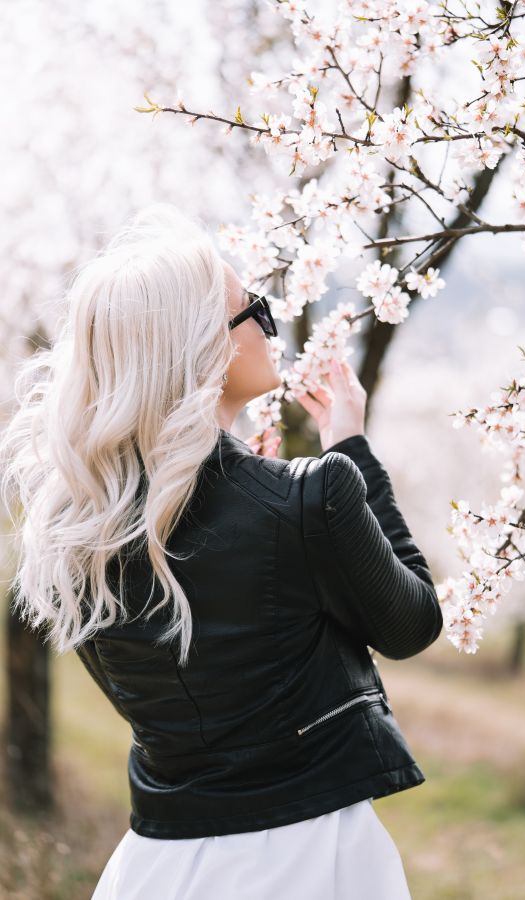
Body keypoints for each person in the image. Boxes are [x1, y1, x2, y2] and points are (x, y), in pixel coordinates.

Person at [0, 203, 443, 899]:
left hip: (158, 864)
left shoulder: (75, 535)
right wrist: (351, 451)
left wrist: (263, 489)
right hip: (310, 856)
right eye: (255, 311)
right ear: (205, 344)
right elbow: (413, 623)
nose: (271, 327)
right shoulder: (313, 495)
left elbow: (170, 697)